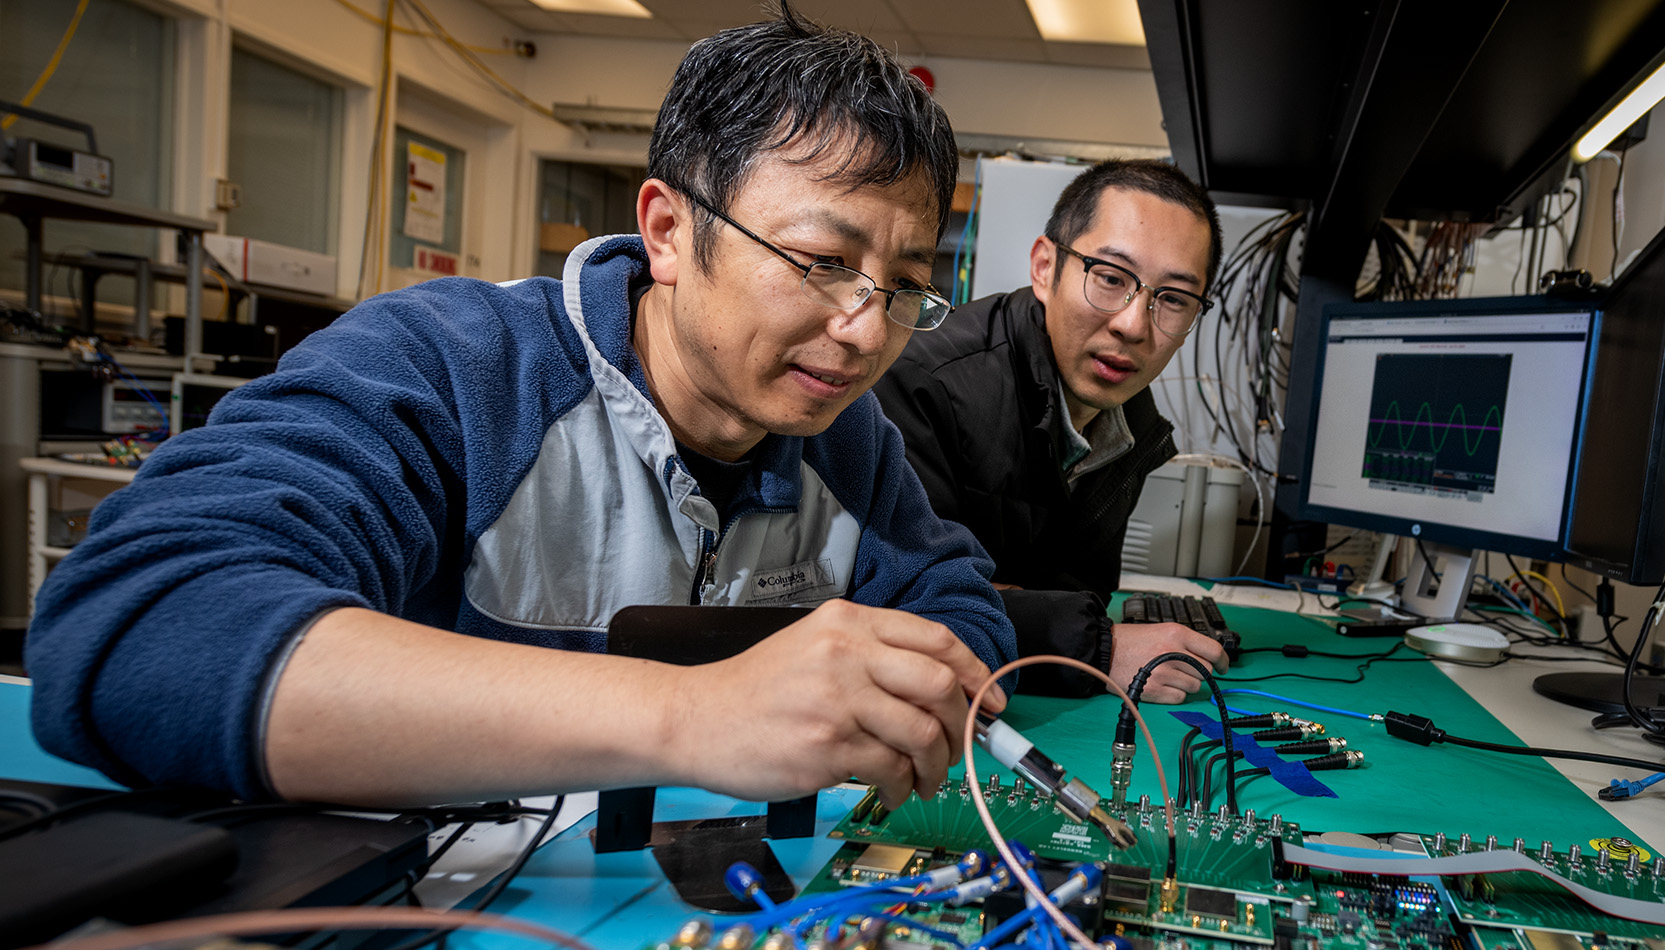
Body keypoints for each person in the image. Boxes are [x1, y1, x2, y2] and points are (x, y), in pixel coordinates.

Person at [24, 10, 1014, 811]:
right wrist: (689, 711)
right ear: (668, 231)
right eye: (823, 261)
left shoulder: (837, 434)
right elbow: (140, 623)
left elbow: (952, 595)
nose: (860, 328)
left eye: (901, 288)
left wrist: (913, 686)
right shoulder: (453, 367)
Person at [875, 161, 1229, 704]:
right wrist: (1101, 648)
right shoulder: (927, 383)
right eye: (1110, 278)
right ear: (1045, 267)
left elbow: (1074, 588)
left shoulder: (1126, 414)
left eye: (1174, 299)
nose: (1134, 325)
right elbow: (906, 604)